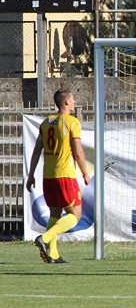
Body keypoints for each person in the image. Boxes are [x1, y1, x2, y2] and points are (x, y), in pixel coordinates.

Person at [26, 89, 92, 264]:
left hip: (48, 176)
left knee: (55, 214)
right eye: (73, 99)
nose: (75, 101)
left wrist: (31, 174)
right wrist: (85, 173)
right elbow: (78, 152)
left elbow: (36, 150)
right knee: (75, 215)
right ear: (66, 103)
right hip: (65, 176)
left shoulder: (46, 122)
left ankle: (53, 255)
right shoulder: (72, 122)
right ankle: (45, 238)